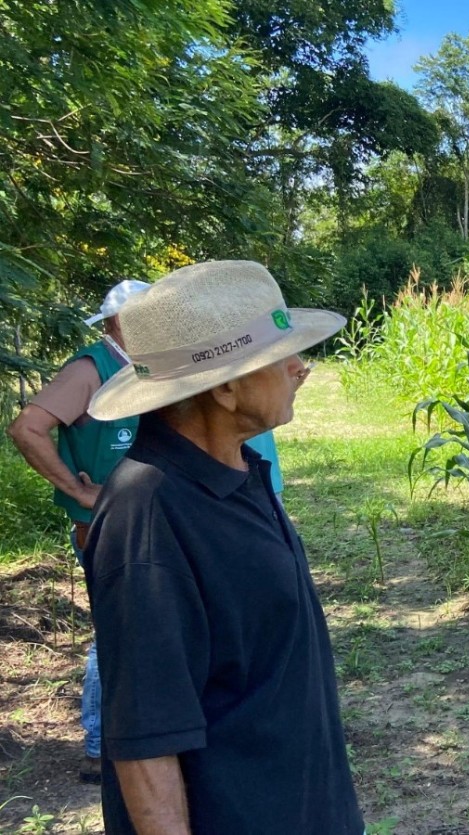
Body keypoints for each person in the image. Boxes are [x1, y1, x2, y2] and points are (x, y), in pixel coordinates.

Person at [81, 260, 355, 834]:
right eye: (281, 356)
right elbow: (145, 740)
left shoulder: (238, 470)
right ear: (227, 386)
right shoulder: (149, 513)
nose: (300, 368)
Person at [6, 278, 150, 783]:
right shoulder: (91, 369)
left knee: (144, 627)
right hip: (106, 526)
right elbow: (27, 428)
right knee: (114, 631)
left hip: (144, 521)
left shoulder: (143, 363)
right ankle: (98, 747)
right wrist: (80, 491)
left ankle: (136, 735)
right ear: (120, 322)